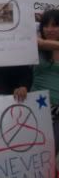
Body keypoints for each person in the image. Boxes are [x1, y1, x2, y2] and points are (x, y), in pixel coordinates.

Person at [31, 9, 59, 153]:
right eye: (46, 25)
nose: (50, 29)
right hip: (36, 109)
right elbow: (39, 43)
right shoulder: (35, 45)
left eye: (55, 25)